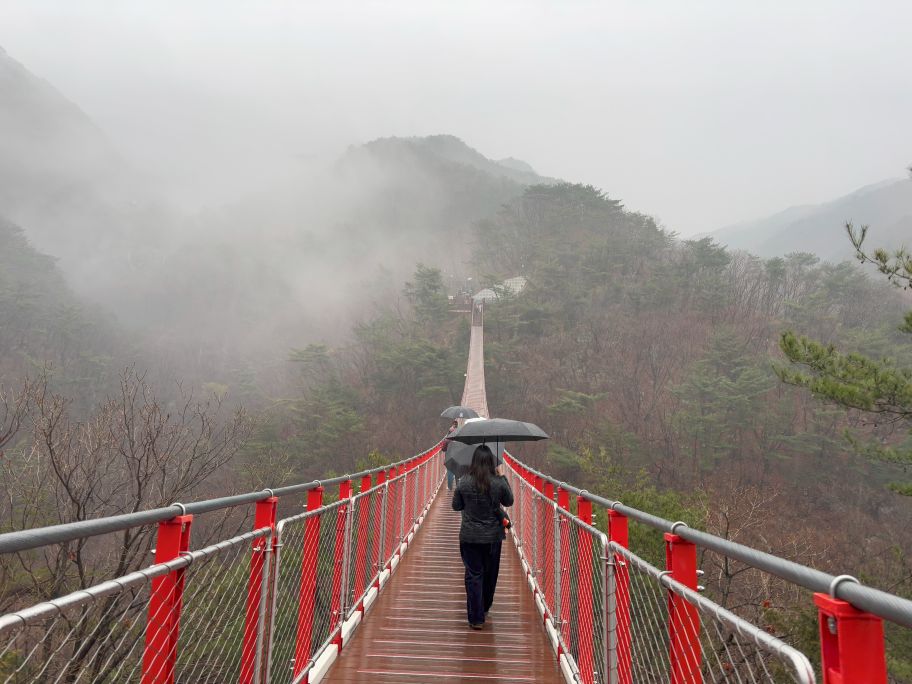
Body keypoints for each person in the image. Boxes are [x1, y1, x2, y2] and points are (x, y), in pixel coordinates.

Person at [451, 445, 514, 630]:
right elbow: (508, 501)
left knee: (474, 574)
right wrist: (501, 476)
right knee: (490, 574)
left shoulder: (463, 481)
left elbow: (456, 506)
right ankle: (485, 607)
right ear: (492, 463)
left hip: (470, 536)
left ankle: (476, 618)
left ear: (473, 462)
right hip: (493, 537)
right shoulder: (498, 482)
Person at [441, 420, 458, 490]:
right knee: (457, 471)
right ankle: (458, 486)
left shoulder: (447, 440)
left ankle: (450, 487)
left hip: (449, 458)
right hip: (457, 457)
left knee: (450, 472)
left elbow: (443, 449)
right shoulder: (459, 439)